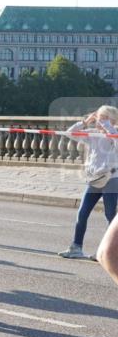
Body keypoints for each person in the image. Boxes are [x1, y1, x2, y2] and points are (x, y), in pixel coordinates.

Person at [59, 106, 118, 259]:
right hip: (94, 179)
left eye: (103, 118)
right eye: (99, 118)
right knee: (82, 213)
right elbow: (70, 133)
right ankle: (76, 247)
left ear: (112, 120)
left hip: (111, 179)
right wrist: (85, 122)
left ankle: (110, 253)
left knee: (111, 215)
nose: (99, 121)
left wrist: (108, 126)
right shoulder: (93, 134)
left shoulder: (115, 134)